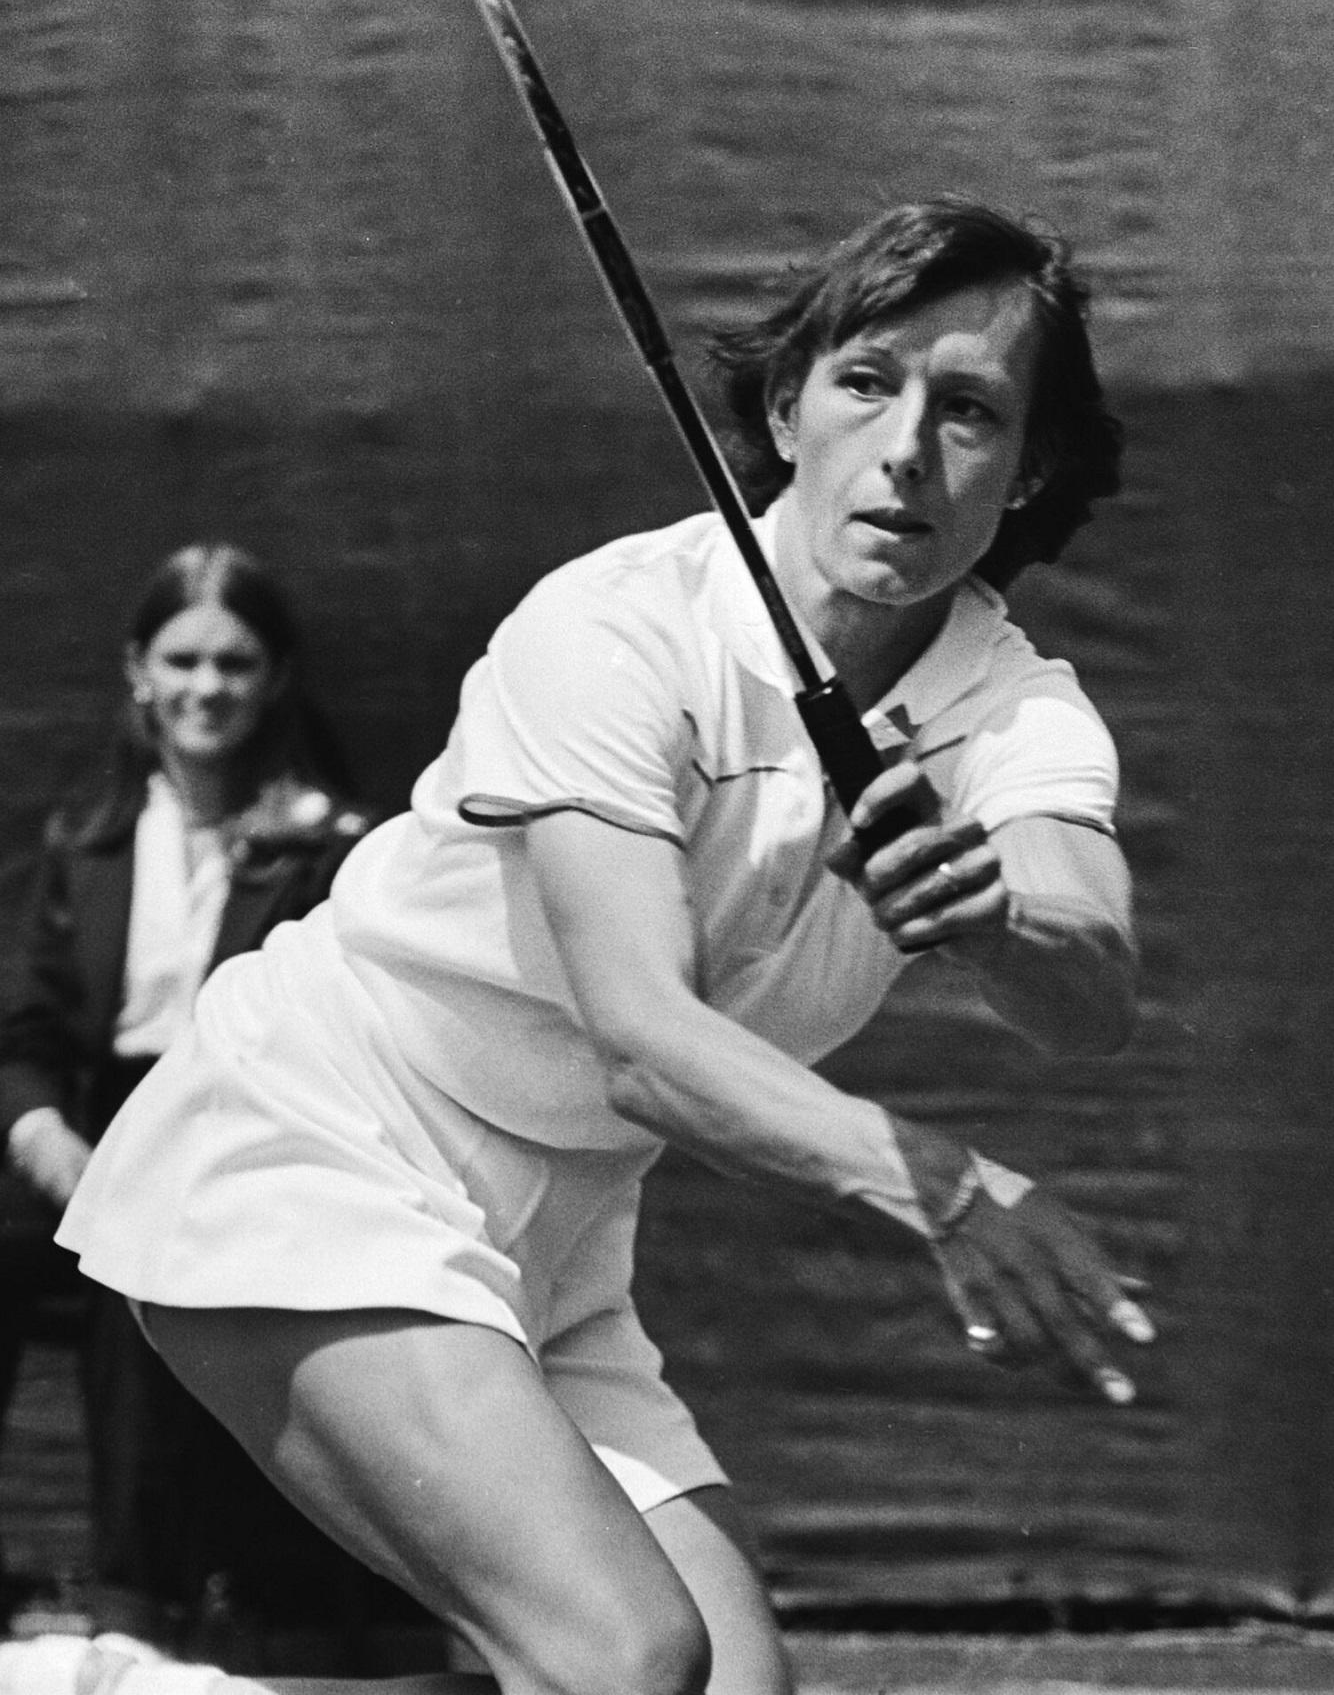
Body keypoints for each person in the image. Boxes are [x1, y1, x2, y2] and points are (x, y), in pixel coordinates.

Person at [57, 200, 1153, 1695]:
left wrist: (994, 918)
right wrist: (946, 1188)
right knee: (621, 1658)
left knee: (726, 1689)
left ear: (1024, 470)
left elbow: (1086, 974)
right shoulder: (616, 628)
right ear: (786, 407)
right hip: (320, 1141)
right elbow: (643, 1041)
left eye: (966, 410)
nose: (905, 446)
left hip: (556, 1239)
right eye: (864, 382)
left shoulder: (1012, 707)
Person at [0, 545, 425, 1658]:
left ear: (274, 677)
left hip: (244, 1143)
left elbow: (342, 1036)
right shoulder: (84, 844)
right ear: (138, 671)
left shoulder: (326, 847)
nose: (206, 688)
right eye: (181, 659)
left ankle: (142, 1618)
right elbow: (27, 1042)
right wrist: (59, 1150)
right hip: (85, 1142)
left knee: (145, 1257)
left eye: (233, 662)